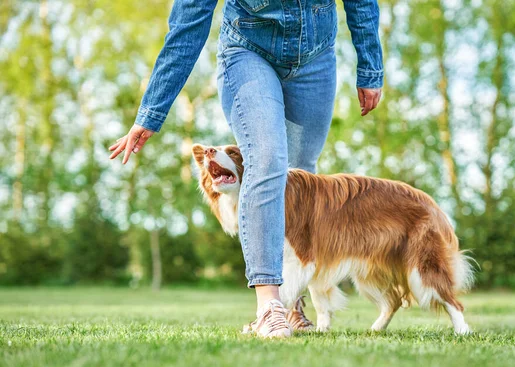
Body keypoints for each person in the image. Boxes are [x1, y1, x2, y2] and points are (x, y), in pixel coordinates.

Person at [109, 0, 383, 338]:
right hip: (247, 51)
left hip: (315, 58)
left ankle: (292, 303)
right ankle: (269, 306)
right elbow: (187, 26)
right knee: (266, 159)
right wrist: (151, 112)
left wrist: (370, 66)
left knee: (301, 179)